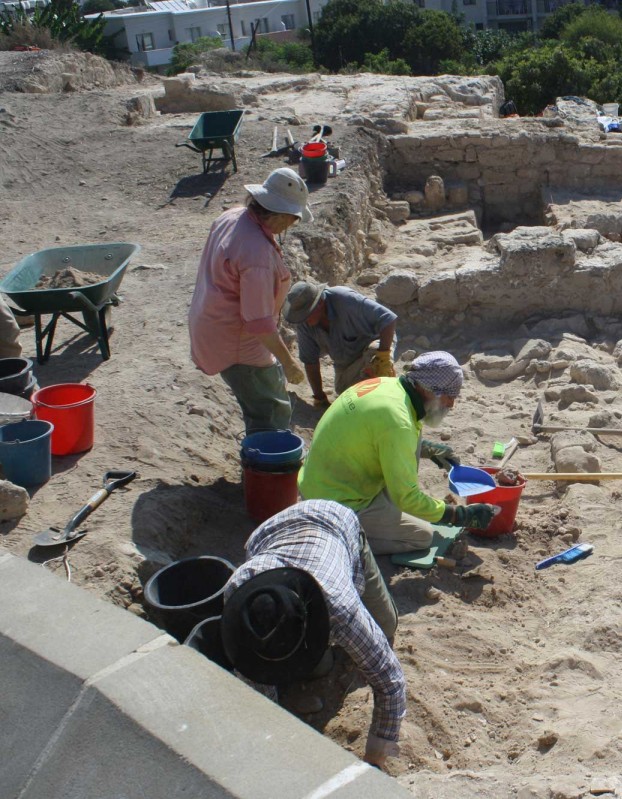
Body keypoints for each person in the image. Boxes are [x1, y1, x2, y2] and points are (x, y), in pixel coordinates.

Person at [221, 500, 404, 767]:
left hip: (336, 523)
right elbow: (255, 683)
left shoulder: (340, 610)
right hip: (270, 533)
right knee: (317, 668)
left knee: (386, 625)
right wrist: (272, 743)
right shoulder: (239, 592)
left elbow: (391, 681)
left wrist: (375, 759)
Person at [298, 351, 499, 554]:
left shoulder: (389, 386)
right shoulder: (398, 423)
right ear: (431, 390)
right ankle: (343, 542)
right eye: (449, 396)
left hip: (318, 479)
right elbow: (407, 498)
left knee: (413, 441)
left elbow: (376, 434)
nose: (451, 404)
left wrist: (427, 449)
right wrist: (457, 515)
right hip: (334, 501)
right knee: (422, 536)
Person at [188, 167, 309, 434]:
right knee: (271, 410)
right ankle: (267, 471)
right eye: (292, 219)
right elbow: (259, 323)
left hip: (211, 322)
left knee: (260, 404)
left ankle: (259, 464)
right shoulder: (257, 254)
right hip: (237, 340)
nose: (292, 225)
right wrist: (289, 363)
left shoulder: (232, 216)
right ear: (278, 215)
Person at [282, 281, 398, 406]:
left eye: (307, 314)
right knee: (345, 392)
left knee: (376, 361)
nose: (304, 320)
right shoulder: (304, 324)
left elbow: (388, 318)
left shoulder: (344, 299)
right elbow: (310, 362)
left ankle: (388, 399)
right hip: (347, 363)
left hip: (374, 345)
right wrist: (319, 397)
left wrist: (384, 355)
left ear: (319, 303)